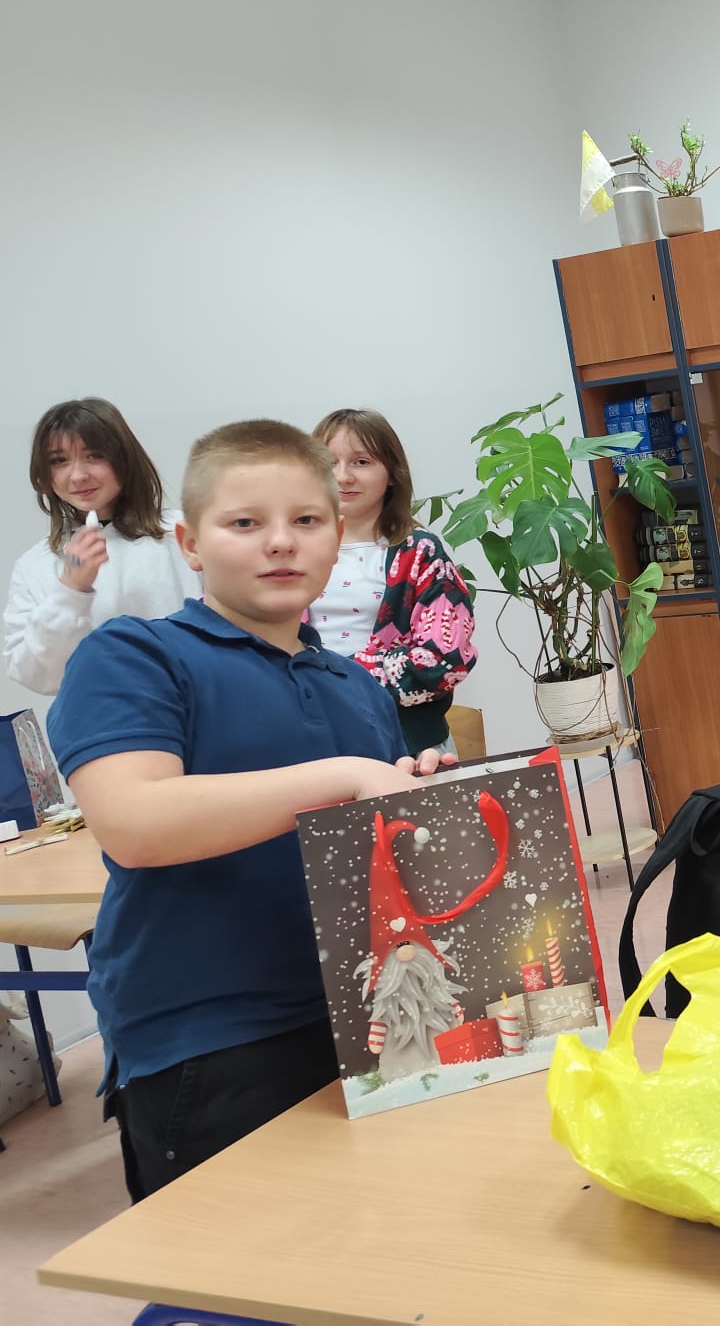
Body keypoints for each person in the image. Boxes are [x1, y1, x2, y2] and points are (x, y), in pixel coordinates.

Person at [47, 420, 454, 1201]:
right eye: (244, 522)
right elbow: (134, 824)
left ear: (337, 536)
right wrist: (346, 776)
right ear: (190, 545)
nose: (280, 542)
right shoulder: (135, 655)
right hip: (209, 1040)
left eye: (306, 520)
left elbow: (373, 852)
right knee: (247, 1261)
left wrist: (413, 793)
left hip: (367, 1017)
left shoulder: (357, 687)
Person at [310, 409, 476, 757]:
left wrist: (330, 679)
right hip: (313, 742)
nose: (343, 476)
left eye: (361, 462)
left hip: (409, 743)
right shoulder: (291, 550)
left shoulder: (419, 551)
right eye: (329, 462)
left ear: (391, 474)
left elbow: (446, 660)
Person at [4, 399, 196, 696]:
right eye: (59, 460)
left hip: (197, 708)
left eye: (94, 455)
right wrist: (71, 591)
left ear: (124, 459)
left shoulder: (184, 533)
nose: (78, 476)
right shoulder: (35, 565)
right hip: (98, 718)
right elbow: (36, 675)